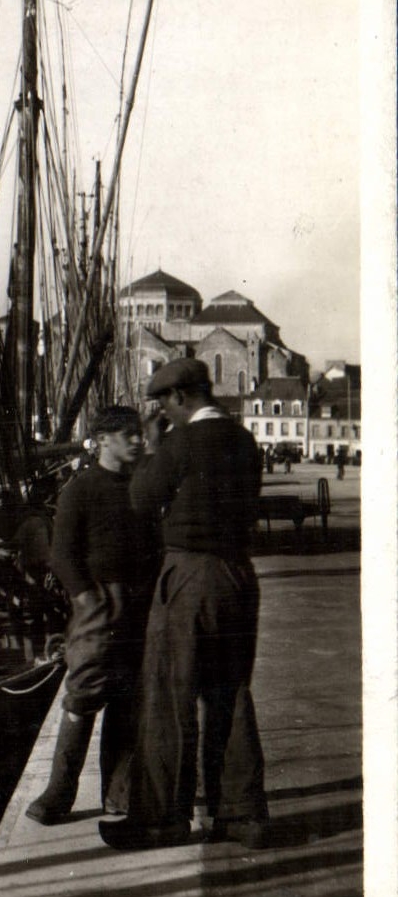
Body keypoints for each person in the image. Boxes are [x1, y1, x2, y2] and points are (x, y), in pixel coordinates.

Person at [100, 358, 269, 852]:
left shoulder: (180, 443)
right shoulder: (244, 440)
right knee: (230, 694)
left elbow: (141, 496)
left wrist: (154, 447)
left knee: (168, 698)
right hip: (238, 575)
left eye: (163, 407)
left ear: (179, 398)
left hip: (190, 576)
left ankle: (161, 819)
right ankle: (243, 816)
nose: (162, 416)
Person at [25, 406, 158, 825]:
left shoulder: (141, 488)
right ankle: (58, 793)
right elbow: (61, 554)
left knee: (128, 699)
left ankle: (119, 795)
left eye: (138, 434)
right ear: (102, 440)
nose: (137, 440)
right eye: (127, 434)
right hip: (99, 605)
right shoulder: (80, 490)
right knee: (83, 696)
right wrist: (85, 598)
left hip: (140, 604)